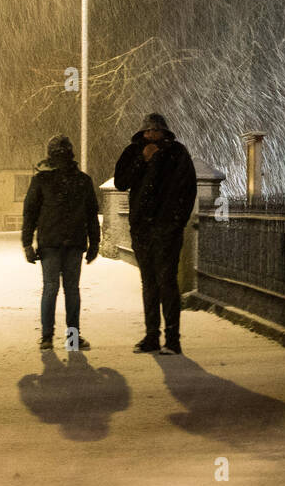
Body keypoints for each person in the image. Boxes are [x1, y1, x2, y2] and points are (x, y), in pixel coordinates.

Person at [113, 113, 197, 354]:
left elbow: (188, 189)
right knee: (149, 282)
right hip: (142, 229)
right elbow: (121, 182)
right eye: (147, 131)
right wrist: (142, 159)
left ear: (164, 131)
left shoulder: (177, 153)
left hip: (166, 228)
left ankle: (172, 340)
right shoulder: (133, 151)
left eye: (154, 130)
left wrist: (176, 222)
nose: (150, 134)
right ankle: (151, 336)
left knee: (167, 281)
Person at [22, 134, 100, 351]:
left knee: (50, 289)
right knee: (72, 290)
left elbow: (30, 213)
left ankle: (47, 337)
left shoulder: (41, 180)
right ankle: (73, 339)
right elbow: (91, 214)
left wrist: (27, 243)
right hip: (74, 242)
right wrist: (94, 243)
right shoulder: (83, 181)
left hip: (50, 243)